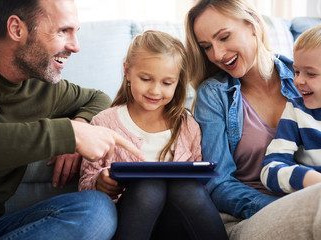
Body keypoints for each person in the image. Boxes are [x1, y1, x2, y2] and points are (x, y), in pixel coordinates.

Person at [185, 0, 321, 239]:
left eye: (224, 37)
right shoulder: (214, 94)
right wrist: (288, 206)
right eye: (206, 47)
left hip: (320, 203)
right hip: (251, 217)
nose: (217, 54)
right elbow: (218, 184)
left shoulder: (306, 75)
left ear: (253, 24)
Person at [0, 0, 143, 239]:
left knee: (97, 210)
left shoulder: (43, 88)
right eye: (63, 31)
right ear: (17, 29)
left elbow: (98, 98)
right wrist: (69, 135)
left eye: (75, 33)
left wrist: (81, 123)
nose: (76, 46)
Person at [79, 30, 228, 240]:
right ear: (127, 71)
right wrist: (100, 182)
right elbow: (85, 184)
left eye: (167, 83)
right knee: (149, 185)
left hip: (175, 224)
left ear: (178, 83)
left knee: (187, 187)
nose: (155, 91)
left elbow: (199, 180)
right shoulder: (104, 123)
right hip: (131, 219)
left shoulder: (187, 126)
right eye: (146, 79)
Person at [261, 20, 321, 193]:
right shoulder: (296, 111)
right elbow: (269, 168)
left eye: (311, 74)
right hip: (312, 196)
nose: (298, 81)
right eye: (297, 71)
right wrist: (306, 178)